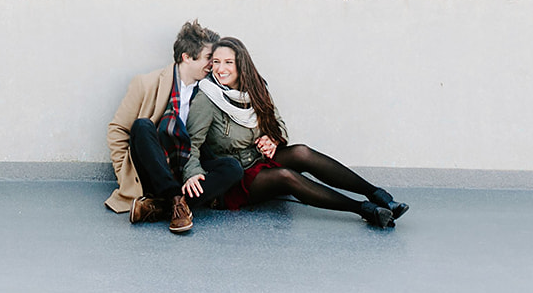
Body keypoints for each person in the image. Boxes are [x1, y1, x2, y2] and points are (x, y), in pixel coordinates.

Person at [182, 37, 409, 229]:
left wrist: (272, 139)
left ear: (241, 64)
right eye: (216, 62)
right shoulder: (207, 98)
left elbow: (278, 124)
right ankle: (364, 210)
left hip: (259, 160)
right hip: (236, 178)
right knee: (286, 176)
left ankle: (377, 195)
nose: (221, 69)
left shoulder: (256, 89)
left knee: (301, 152)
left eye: (228, 62)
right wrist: (192, 174)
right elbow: (192, 143)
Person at [106, 20, 244, 234]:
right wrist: (123, 174)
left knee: (233, 168)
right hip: (157, 166)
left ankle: (165, 206)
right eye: (209, 58)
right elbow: (118, 130)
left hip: (193, 164)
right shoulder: (146, 83)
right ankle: (175, 198)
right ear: (187, 57)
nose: (214, 65)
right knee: (141, 126)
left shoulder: (213, 87)